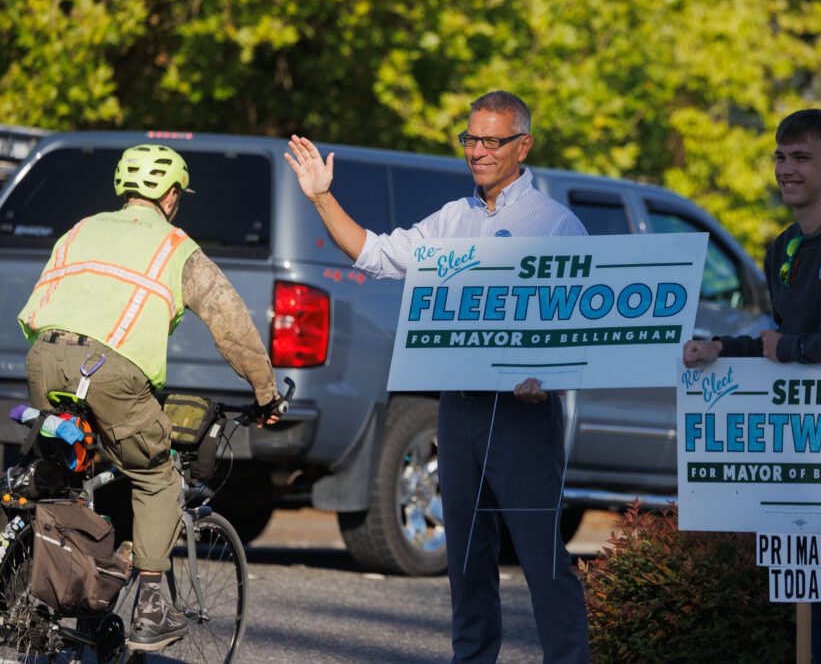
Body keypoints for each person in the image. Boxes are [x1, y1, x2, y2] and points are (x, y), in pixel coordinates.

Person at [285, 91, 590, 663]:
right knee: (468, 562)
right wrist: (322, 199)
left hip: (523, 415)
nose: (477, 151)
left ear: (522, 146)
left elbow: (576, 323)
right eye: (470, 139)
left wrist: (546, 376)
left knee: (541, 559)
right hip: (460, 409)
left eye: (491, 141)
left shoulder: (555, 225)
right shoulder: (454, 218)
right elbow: (375, 254)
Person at [18, 143, 281, 653]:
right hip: (109, 371)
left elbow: (39, 306)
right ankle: (153, 609)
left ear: (124, 188)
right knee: (156, 476)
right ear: (173, 195)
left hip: (43, 358)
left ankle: (74, 598)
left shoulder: (80, 229)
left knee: (77, 472)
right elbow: (231, 326)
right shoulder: (176, 248)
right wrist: (266, 393)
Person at [683, 109, 821, 663]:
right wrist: (720, 349)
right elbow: (779, 339)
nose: (786, 168)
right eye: (780, 157)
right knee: (818, 600)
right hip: (799, 449)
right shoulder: (783, 246)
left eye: (801, 157)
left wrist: (793, 350)